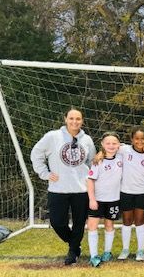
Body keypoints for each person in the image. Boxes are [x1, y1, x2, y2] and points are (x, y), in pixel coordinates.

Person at [30, 108, 96, 265]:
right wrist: (44, 173)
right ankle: (74, 243)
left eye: (78, 119)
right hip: (58, 189)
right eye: (71, 118)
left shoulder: (86, 140)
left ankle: (73, 251)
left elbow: (92, 162)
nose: (75, 121)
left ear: (82, 121)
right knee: (57, 222)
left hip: (81, 190)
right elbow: (36, 154)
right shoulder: (53, 137)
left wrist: (90, 180)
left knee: (79, 222)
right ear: (65, 119)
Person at [86, 132, 123, 267]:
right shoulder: (98, 161)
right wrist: (92, 199)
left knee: (109, 225)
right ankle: (94, 255)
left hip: (113, 200)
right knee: (92, 226)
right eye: (108, 143)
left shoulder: (121, 158)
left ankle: (107, 252)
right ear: (102, 144)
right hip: (97, 200)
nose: (111, 146)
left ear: (119, 145)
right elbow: (90, 181)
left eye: (114, 143)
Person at [117, 126, 144, 261]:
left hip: (141, 192)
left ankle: (140, 251)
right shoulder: (124, 150)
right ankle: (125, 249)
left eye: (142, 139)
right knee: (127, 221)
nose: (139, 141)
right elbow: (109, 147)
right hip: (126, 191)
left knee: (139, 221)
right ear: (132, 139)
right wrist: (100, 154)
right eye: (136, 138)